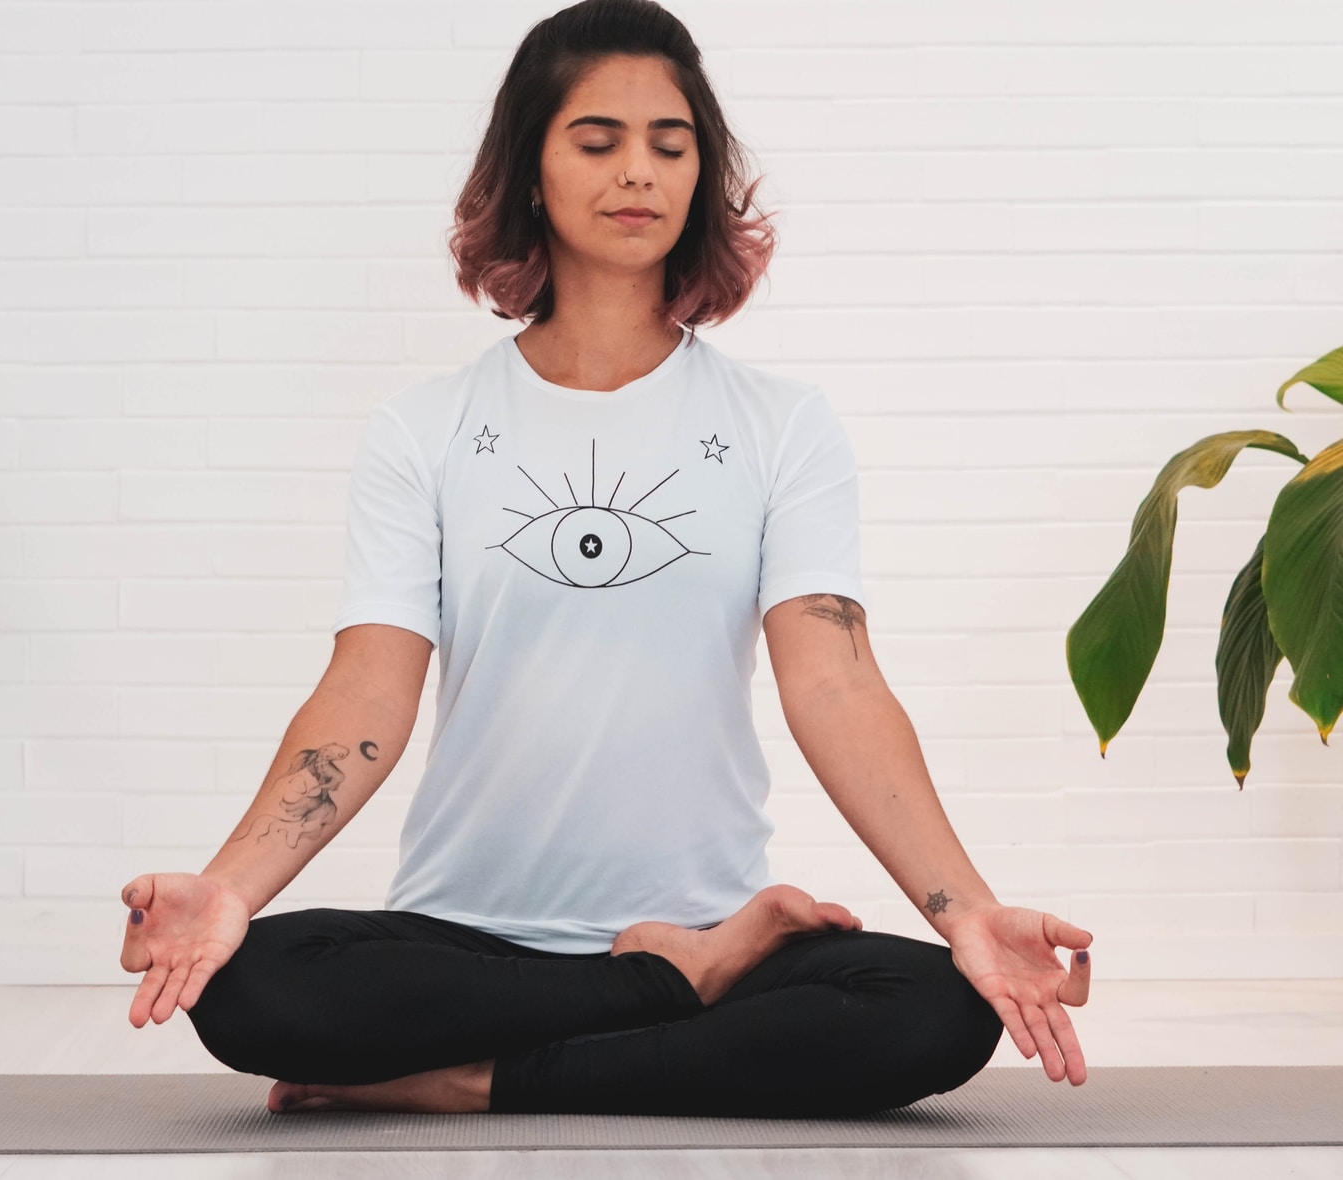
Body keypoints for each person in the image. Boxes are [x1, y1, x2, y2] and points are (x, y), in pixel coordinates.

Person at [117, 0, 1093, 1118]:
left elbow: (836, 685)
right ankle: (674, 987)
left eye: (670, 146)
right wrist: (227, 889)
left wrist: (966, 912)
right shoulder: (423, 428)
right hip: (467, 938)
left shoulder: (781, 426)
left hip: (704, 909)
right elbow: (365, 693)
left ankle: (477, 1077)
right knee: (251, 987)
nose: (638, 172)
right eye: (597, 142)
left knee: (937, 1010)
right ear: (531, 171)